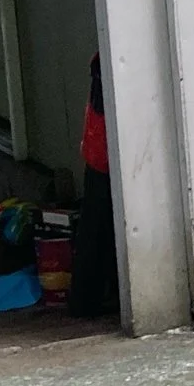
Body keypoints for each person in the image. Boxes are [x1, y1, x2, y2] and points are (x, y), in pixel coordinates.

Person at [70, 55, 117, 319]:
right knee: (97, 228)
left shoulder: (101, 59)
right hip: (105, 153)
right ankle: (85, 300)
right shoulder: (107, 62)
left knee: (94, 227)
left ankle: (86, 299)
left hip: (98, 150)